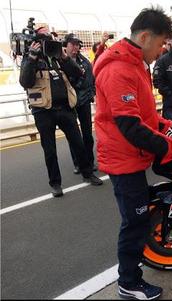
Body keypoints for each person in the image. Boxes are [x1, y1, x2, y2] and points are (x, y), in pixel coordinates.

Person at [93, 7, 172, 300]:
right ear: (145, 36)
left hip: (132, 155)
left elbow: (143, 114)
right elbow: (130, 125)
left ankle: (139, 267)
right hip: (123, 159)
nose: (162, 51)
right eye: (161, 44)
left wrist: (168, 125)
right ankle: (129, 282)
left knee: (138, 213)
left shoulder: (135, 64)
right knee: (134, 221)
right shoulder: (118, 68)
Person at [19, 26, 103, 197]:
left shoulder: (57, 57)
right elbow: (25, 82)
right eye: (44, 40)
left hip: (65, 108)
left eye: (50, 40)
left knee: (78, 143)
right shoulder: (31, 58)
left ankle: (87, 173)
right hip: (43, 111)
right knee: (49, 150)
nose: (48, 44)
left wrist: (64, 58)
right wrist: (32, 58)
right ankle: (55, 183)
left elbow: (78, 74)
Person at [64, 33, 97, 174]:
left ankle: (89, 161)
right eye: (73, 44)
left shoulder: (84, 61)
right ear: (66, 45)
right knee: (73, 136)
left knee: (87, 135)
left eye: (77, 44)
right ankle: (78, 163)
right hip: (69, 103)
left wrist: (91, 94)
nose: (75, 47)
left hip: (83, 101)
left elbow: (90, 80)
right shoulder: (60, 61)